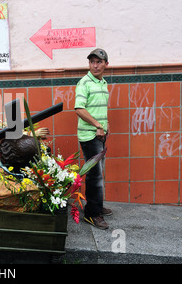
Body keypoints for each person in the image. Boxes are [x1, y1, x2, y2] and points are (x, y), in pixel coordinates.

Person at [74, 48, 112, 230]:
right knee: (95, 175)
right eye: (92, 62)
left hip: (100, 134)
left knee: (98, 173)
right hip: (90, 136)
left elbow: (100, 109)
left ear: (106, 64)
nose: (95, 65)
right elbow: (79, 109)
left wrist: (105, 126)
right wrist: (98, 125)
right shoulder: (84, 83)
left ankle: (94, 205)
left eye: (99, 62)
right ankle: (92, 214)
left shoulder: (103, 83)